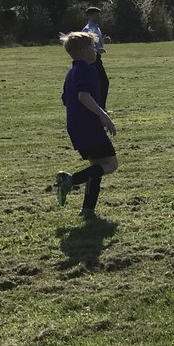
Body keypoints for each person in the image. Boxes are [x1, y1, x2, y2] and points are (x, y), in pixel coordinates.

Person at [54, 31, 118, 220]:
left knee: (95, 168)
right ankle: (70, 181)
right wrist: (103, 115)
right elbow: (83, 96)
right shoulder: (88, 70)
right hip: (89, 127)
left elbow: (66, 99)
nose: (95, 51)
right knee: (111, 164)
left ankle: (87, 210)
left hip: (76, 127)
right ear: (83, 52)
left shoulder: (71, 71)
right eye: (92, 47)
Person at [81, 6, 109, 108]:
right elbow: (86, 46)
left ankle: (101, 107)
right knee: (102, 83)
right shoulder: (87, 29)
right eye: (96, 15)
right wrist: (97, 50)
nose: (98, 17)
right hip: (92, 60)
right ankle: (99, 108)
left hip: (97, 58)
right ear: (90, 15)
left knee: (102, 83)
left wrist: (104, 40)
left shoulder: (96, 28)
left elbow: (97, 43)